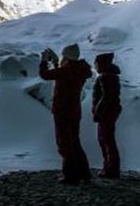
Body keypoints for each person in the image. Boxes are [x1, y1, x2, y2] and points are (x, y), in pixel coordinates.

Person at [39, 43, 93, 184]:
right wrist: (56, 63)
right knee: (74, 141)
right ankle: (84, 173)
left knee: (64, 143)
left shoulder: (67, 70)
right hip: (74, 110)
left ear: (67, 57)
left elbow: (45, 75)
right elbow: (62, 76)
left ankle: (70, 175)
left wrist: (44, 61)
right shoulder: (79, 70)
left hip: (62, 110)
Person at [92, 52, 122, 178]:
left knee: (105, 140)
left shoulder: (105, 77)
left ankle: (110, 169)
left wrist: (98, 112)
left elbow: (106, 97)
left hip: (106, 113)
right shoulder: (111, 76)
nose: (95, 66)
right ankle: (109, 167)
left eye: (97, 63)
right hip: (110, 111)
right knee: (106, 139)